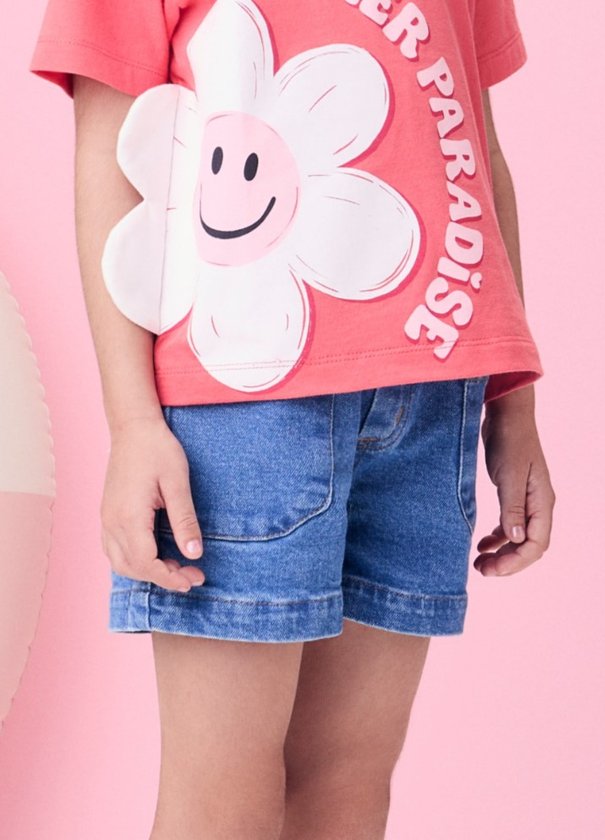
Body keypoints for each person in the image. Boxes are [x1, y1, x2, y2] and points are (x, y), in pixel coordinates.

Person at [30, 0, 556, 837]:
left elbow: (474, 145)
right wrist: (132, 423)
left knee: (348, 788)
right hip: (243, 396)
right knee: (221, 803)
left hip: (432, 392)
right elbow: (112, 148)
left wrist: (513, 404)